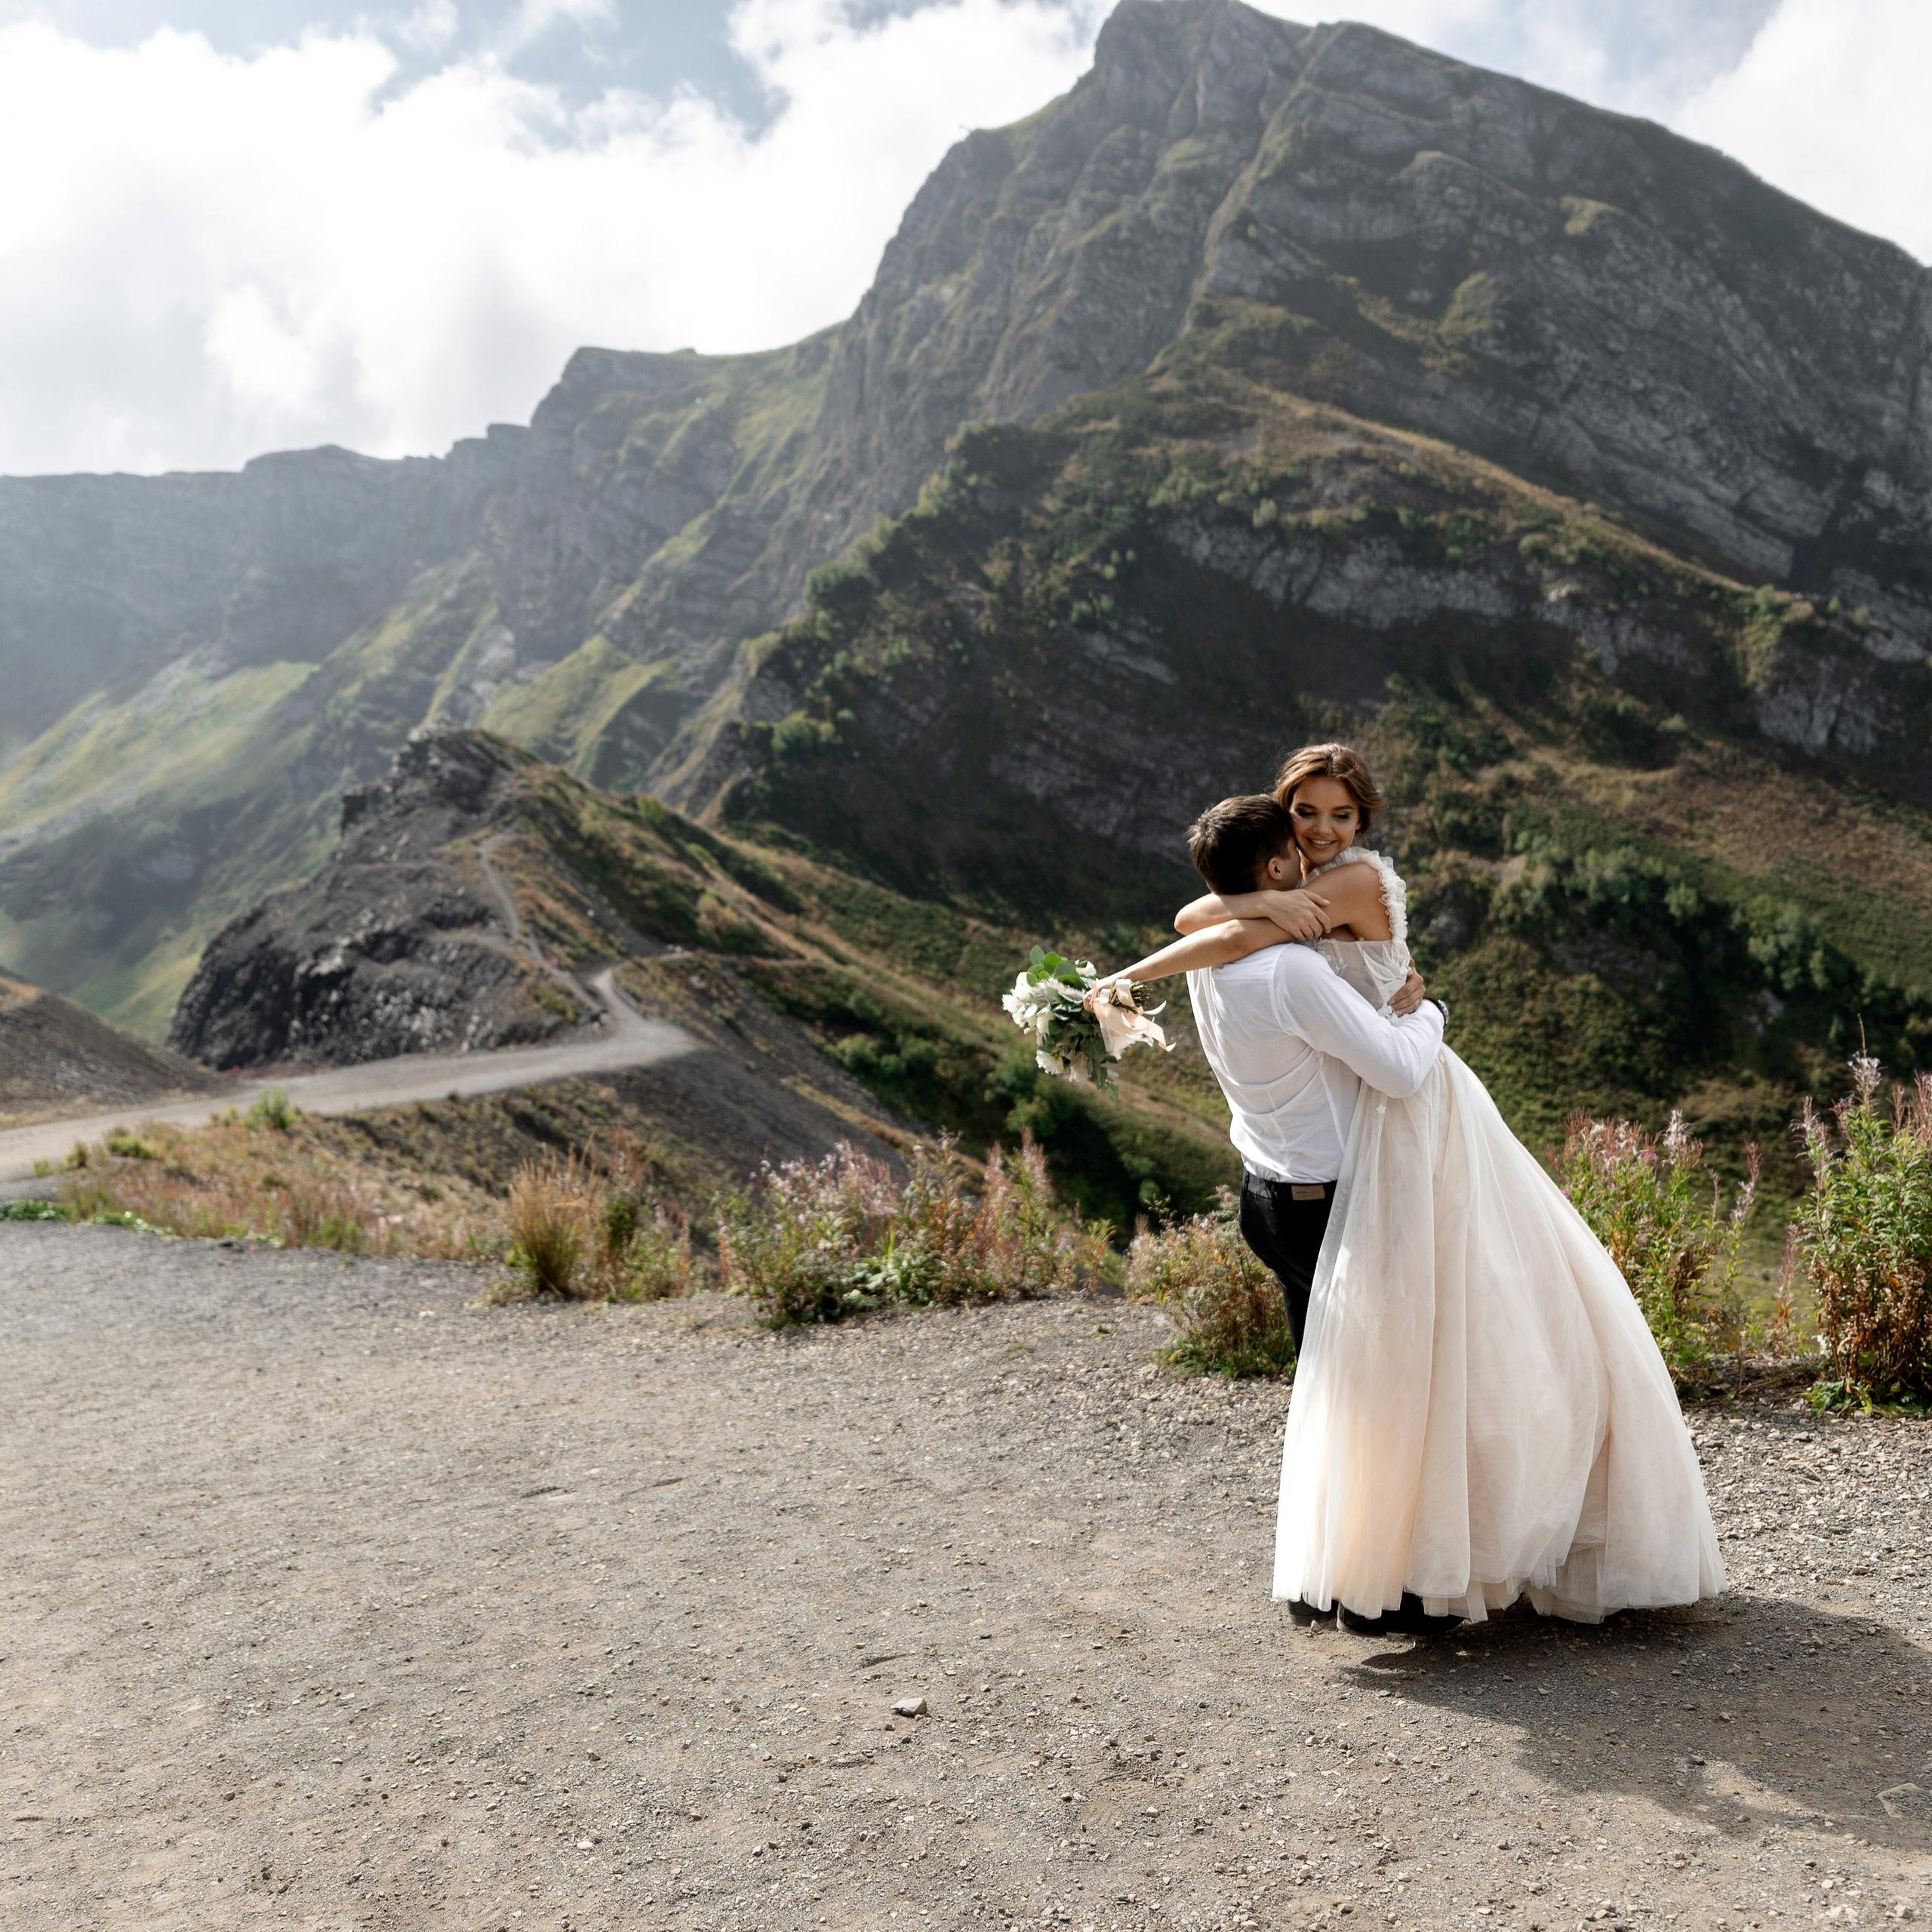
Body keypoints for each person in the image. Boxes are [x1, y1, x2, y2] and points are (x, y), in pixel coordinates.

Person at [1102, 745, 1724, 1636]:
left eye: (1339, 816)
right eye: (1305, 813)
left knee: (1437, 1354)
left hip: (1416, 1124)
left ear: (1363, 824)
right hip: (1368, 1134)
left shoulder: (1345, 886)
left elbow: (1222, 925)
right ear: (1280, 827)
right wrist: (1260, 910)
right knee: (1385, 1371)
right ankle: (1380, 1564)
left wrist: (1423, 1007)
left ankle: (1413, 1559)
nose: (1322, 829)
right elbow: (1204, 911)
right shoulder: (1286, 902)